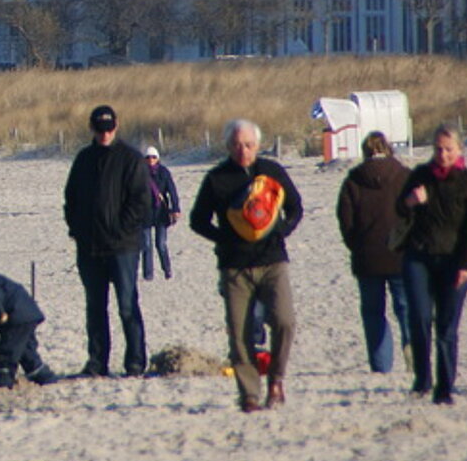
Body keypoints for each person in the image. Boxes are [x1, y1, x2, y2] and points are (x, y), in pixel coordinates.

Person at [189, 118, 304, 412]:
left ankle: (276, 379)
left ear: (258, 145)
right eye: (237, 145)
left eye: (249, 145)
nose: (244, 150)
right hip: (234, 267)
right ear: (228, 146)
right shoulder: (216, 178)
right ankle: (250, 395)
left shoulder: (272, 171)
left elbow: (295, 207)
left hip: (272, 262)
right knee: (240, 334)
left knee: (284, 321)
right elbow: (197, 220)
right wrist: (223, 239)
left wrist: (281, 230)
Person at [62, 104, 152, 377]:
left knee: (127, 305)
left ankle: (135, 363)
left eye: (109, 128)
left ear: (116, 126)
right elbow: (71, 199)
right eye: (100, 129)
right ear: (92, 129)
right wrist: (77, 231)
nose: (105, 134)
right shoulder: (84, 159)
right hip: (89, 247)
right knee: (95, 308)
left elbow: (141, 202)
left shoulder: (131, 158)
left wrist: (121, 231)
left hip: (123, 247)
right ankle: (97, 362)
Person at [400, 124, 467, 406]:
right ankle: (422, 379)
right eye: (438, 148)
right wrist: (411, 201)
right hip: (419, 257)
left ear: (459, 150)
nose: (443, 154)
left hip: (455, 261)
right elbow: (397, 210)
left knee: (447, 328)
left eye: (448, 149)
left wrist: (466, 265)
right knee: (420, 318)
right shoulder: (420, 175)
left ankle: (445, 388)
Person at [336, 131, 412, 373]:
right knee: (406, 308)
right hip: (401, 254)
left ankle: (381, 366)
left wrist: (356, 245)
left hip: (367, 256)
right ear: (388, 148)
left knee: (373, 313)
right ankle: (413, 347)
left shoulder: (353, 180)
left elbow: (345, 219)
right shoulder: (405, 177)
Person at [140, 145, 181, 281]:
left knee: (161, 244)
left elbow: (172, 191)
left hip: (161, 213)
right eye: (147, 157)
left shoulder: (164, 172)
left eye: (153, 157)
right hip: (144, 213)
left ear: (158, 158)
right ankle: (148, 274)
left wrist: (175, 209)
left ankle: (167, 269)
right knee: (146, 245)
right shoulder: (139, 173)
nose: (150, 159)